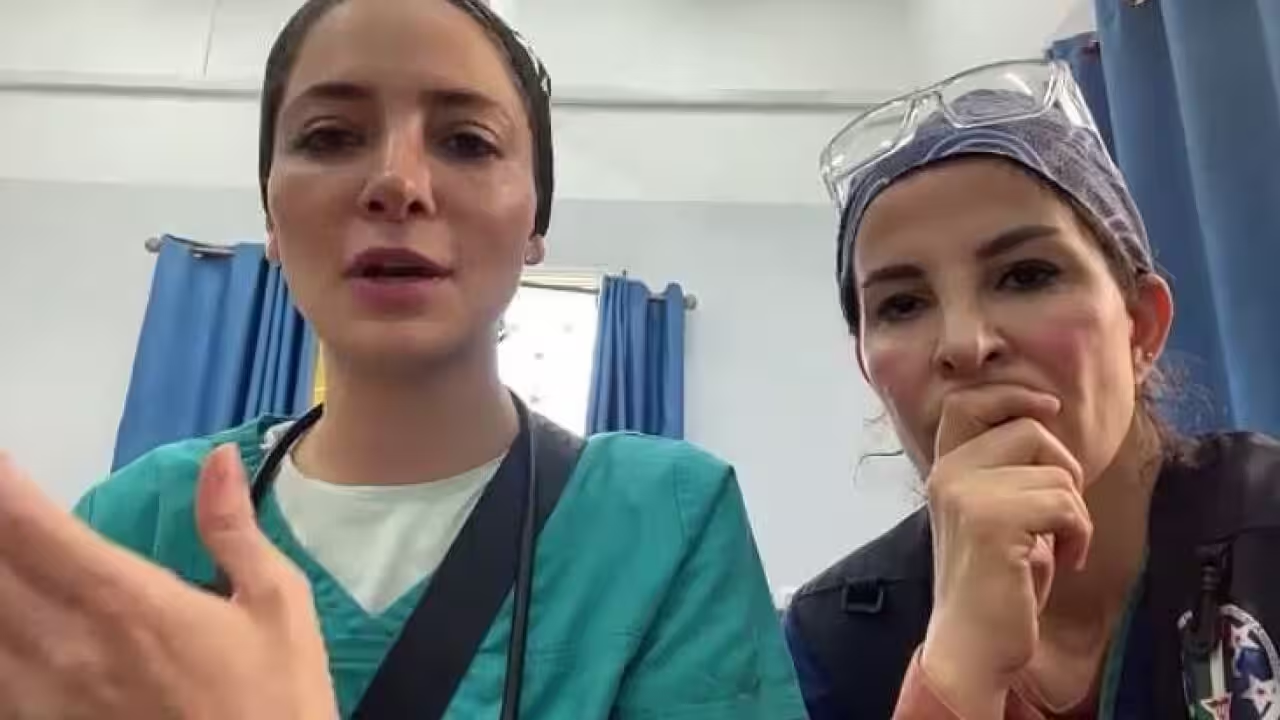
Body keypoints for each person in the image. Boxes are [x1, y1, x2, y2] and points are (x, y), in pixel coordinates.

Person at [0, 0, 806, 718]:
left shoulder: (665, 521)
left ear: (535, 223)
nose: (397, 183)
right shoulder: (136, 519)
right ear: (271, 217)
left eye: (466, 142)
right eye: (330, 137)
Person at [783, 59, 1280, 719]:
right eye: (902, 305)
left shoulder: (1265, 532)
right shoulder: (836, 638)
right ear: (870, 371)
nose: (965, 345)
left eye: (1026, 275)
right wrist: (958, 667)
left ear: (1141, 325)